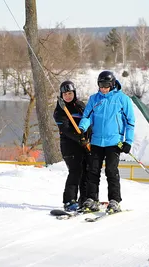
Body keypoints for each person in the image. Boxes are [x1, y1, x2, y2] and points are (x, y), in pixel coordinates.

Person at [78, 70, 135, 213]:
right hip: (96, 141)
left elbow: (130, 122)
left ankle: (114, 200)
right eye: (100, 85)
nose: (103, 88)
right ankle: (92, 199)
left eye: (106, 85)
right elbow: (87, 116)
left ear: (112, 84)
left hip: (114, 142)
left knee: (111, 171)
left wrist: (128, 141)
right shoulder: (94, 99)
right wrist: (82, 127)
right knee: (93, 171)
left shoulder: (122, 99)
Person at [53, 80, 90, 211]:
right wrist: (78, 137)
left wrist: (87, 138)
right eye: (65, 94)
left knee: (86, 171)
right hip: (69, 145)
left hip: (83, 144)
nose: (68, 96)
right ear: (61, 95)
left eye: (70, 93)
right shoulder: (60, 110)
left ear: (74, 93)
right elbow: (66, 130)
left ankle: (85, 199)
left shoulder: (80, 106)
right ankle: (69, 200)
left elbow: (89, 120)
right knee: (75, 171)